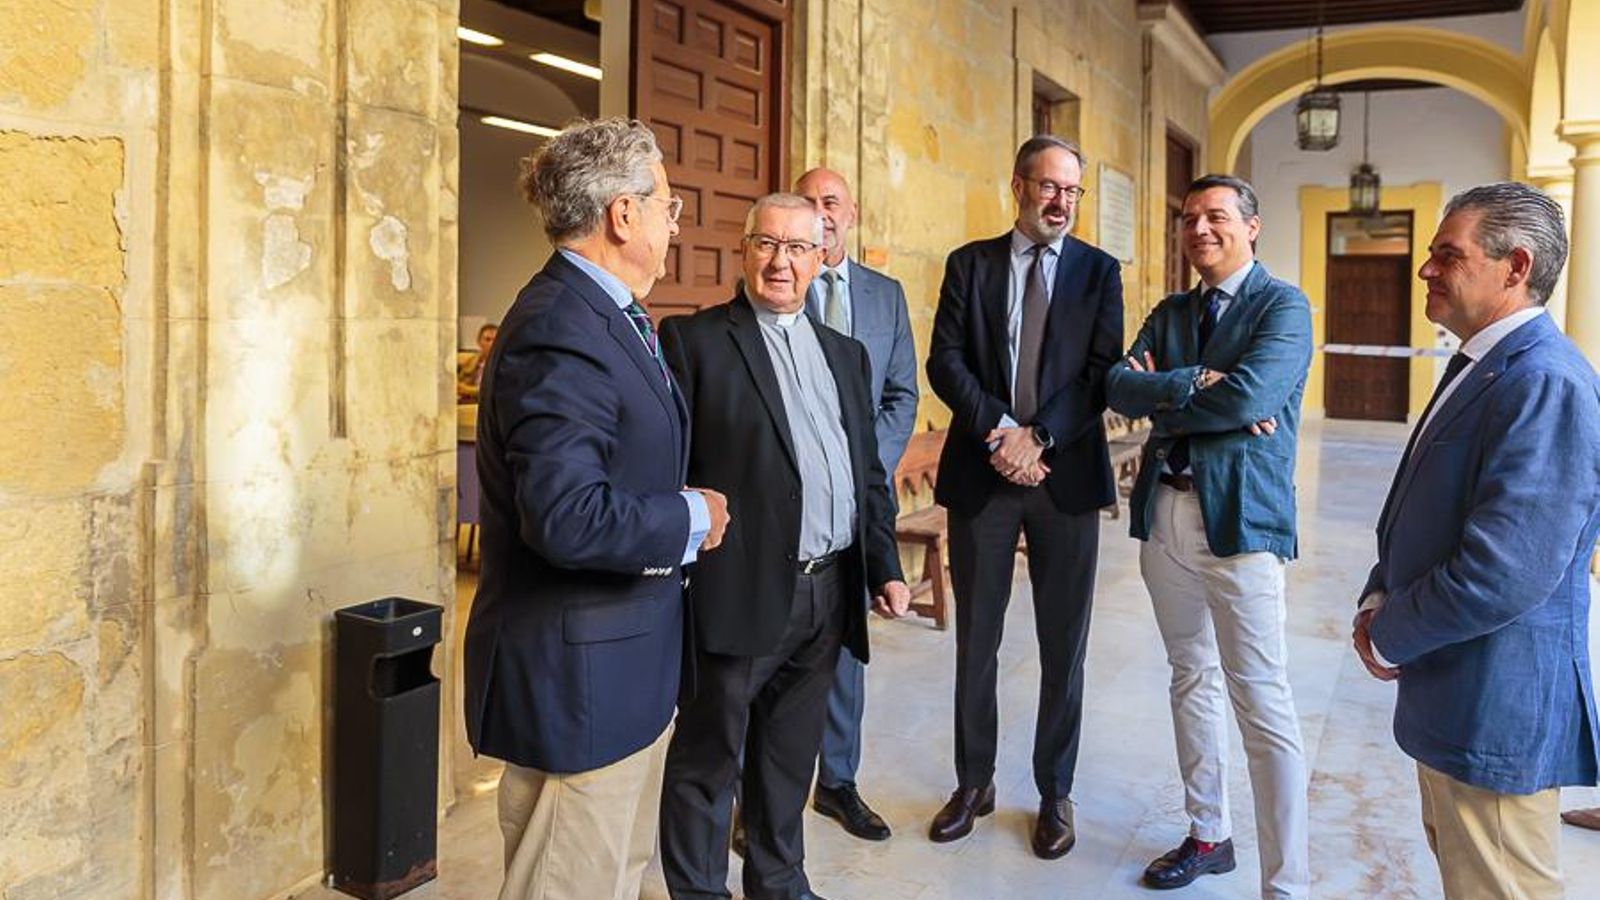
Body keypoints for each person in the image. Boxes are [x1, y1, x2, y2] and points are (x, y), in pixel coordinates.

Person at [462, 117, 729, 900]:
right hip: (579, 681)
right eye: (670, 207)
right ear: (623, 214)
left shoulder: (603, 312)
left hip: (625, 671)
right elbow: (568, 514)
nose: (675, 225)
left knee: (620, 876)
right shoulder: (558, 326)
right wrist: (691, 519)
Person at [657, 192, 912, 900]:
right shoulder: (696, 343)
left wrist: (883, 566)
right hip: (736, 589)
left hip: (828, 590)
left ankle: (779, 884)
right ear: (744, 250)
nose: (781, 261)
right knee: (708, 760)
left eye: (798, 247)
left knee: (788, 759)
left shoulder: (847, 355)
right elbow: (668, 471)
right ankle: (700, 893)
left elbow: (867, 474)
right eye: (767, 244)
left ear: (821, 256)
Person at [1353, 181, 1600, 900]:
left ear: (1514, 266)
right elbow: (1424, 505)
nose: (1426, 269)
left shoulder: (1543, 380)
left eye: (1446, 254)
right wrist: (1379, 588)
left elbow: (1505, 570)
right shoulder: (1483, 361)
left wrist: (1389, 629)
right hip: (1455, 688)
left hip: (1496, 700)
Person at [1104, 174, 1313, 899]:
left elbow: (1255, 396)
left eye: (1216, 216)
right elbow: (1116, 389)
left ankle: (1287, 884)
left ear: (1251, 227)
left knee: (1262, 700)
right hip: (1165, 513)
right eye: (1190, 217)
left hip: (1242, 522)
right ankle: (1208, 833)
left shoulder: (1282, 306)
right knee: (1190, 675)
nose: (1200, 229)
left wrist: (1172, 397)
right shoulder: (1170, 310)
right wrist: (1203, 386)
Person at [924, 134, 1124, 859]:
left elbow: (1101, 371)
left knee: (1062, 645)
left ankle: (1054, 792)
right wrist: (1002, 432)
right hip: (984, 474)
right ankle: (974, 783)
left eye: (1072, 192)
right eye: (1049, 187)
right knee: (977, 641)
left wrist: (1038, 439)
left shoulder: (1100, 272)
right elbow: (943, 361)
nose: (1061, 202)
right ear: (1019, 186)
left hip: (1063, 478)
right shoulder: (969, 264)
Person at [795, 165, 918, 840]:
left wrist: (868, 469)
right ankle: (763, 797)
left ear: (853, 213)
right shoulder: (779, 282)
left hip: (859, 503)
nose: (821, 213)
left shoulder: (885, 296)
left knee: (848, 646)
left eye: (831, 202)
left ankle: (837, 783)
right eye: (809, 202)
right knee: (775, 653)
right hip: (791, 503)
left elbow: (902, 392)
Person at [457, 322, 498, 401]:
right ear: (479, 341)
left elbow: (495, 391)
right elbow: (459, 384)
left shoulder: (504, 364)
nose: (492, 343)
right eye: (487, 339)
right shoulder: (471, 361)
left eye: (495, 340)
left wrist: (467, 390)